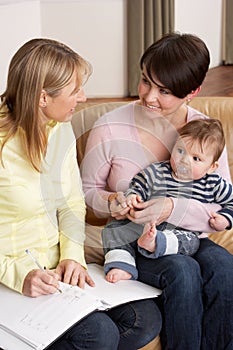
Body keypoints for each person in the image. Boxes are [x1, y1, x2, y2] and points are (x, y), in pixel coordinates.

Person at [0, 38, 161, 350]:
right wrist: (19, 274)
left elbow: (72, 202)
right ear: (43, 97)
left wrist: (72, 257)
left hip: (54, 269)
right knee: (98, 335)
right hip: (12, 276)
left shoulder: (59, 128)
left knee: (145, 319)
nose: (83, 97)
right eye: (74, 90)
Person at [81, 32, 233, 350]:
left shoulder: (206, 134)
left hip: (189, 238)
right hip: (134, 239)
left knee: (224, 268)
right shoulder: (109, 127)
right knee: (182, 271)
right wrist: (112, 201)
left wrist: (170, 208)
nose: (149, 96)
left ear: (192, 92)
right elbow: (87, 192)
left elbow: (221, 208)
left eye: (164, 91)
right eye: (146, 81)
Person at [101, 118, 233, 281]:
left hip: (182, 232)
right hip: (146, 225)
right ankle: (121, 264)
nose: (184, 160)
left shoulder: (213, 184)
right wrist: (132, 198)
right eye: (180, 151)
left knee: (191, 242)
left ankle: (156, 243)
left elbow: (231, 203)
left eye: (196, 158)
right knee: (113, 228)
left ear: (212, 167)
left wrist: (226, 219)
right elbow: (138, 186)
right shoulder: (157, 172)